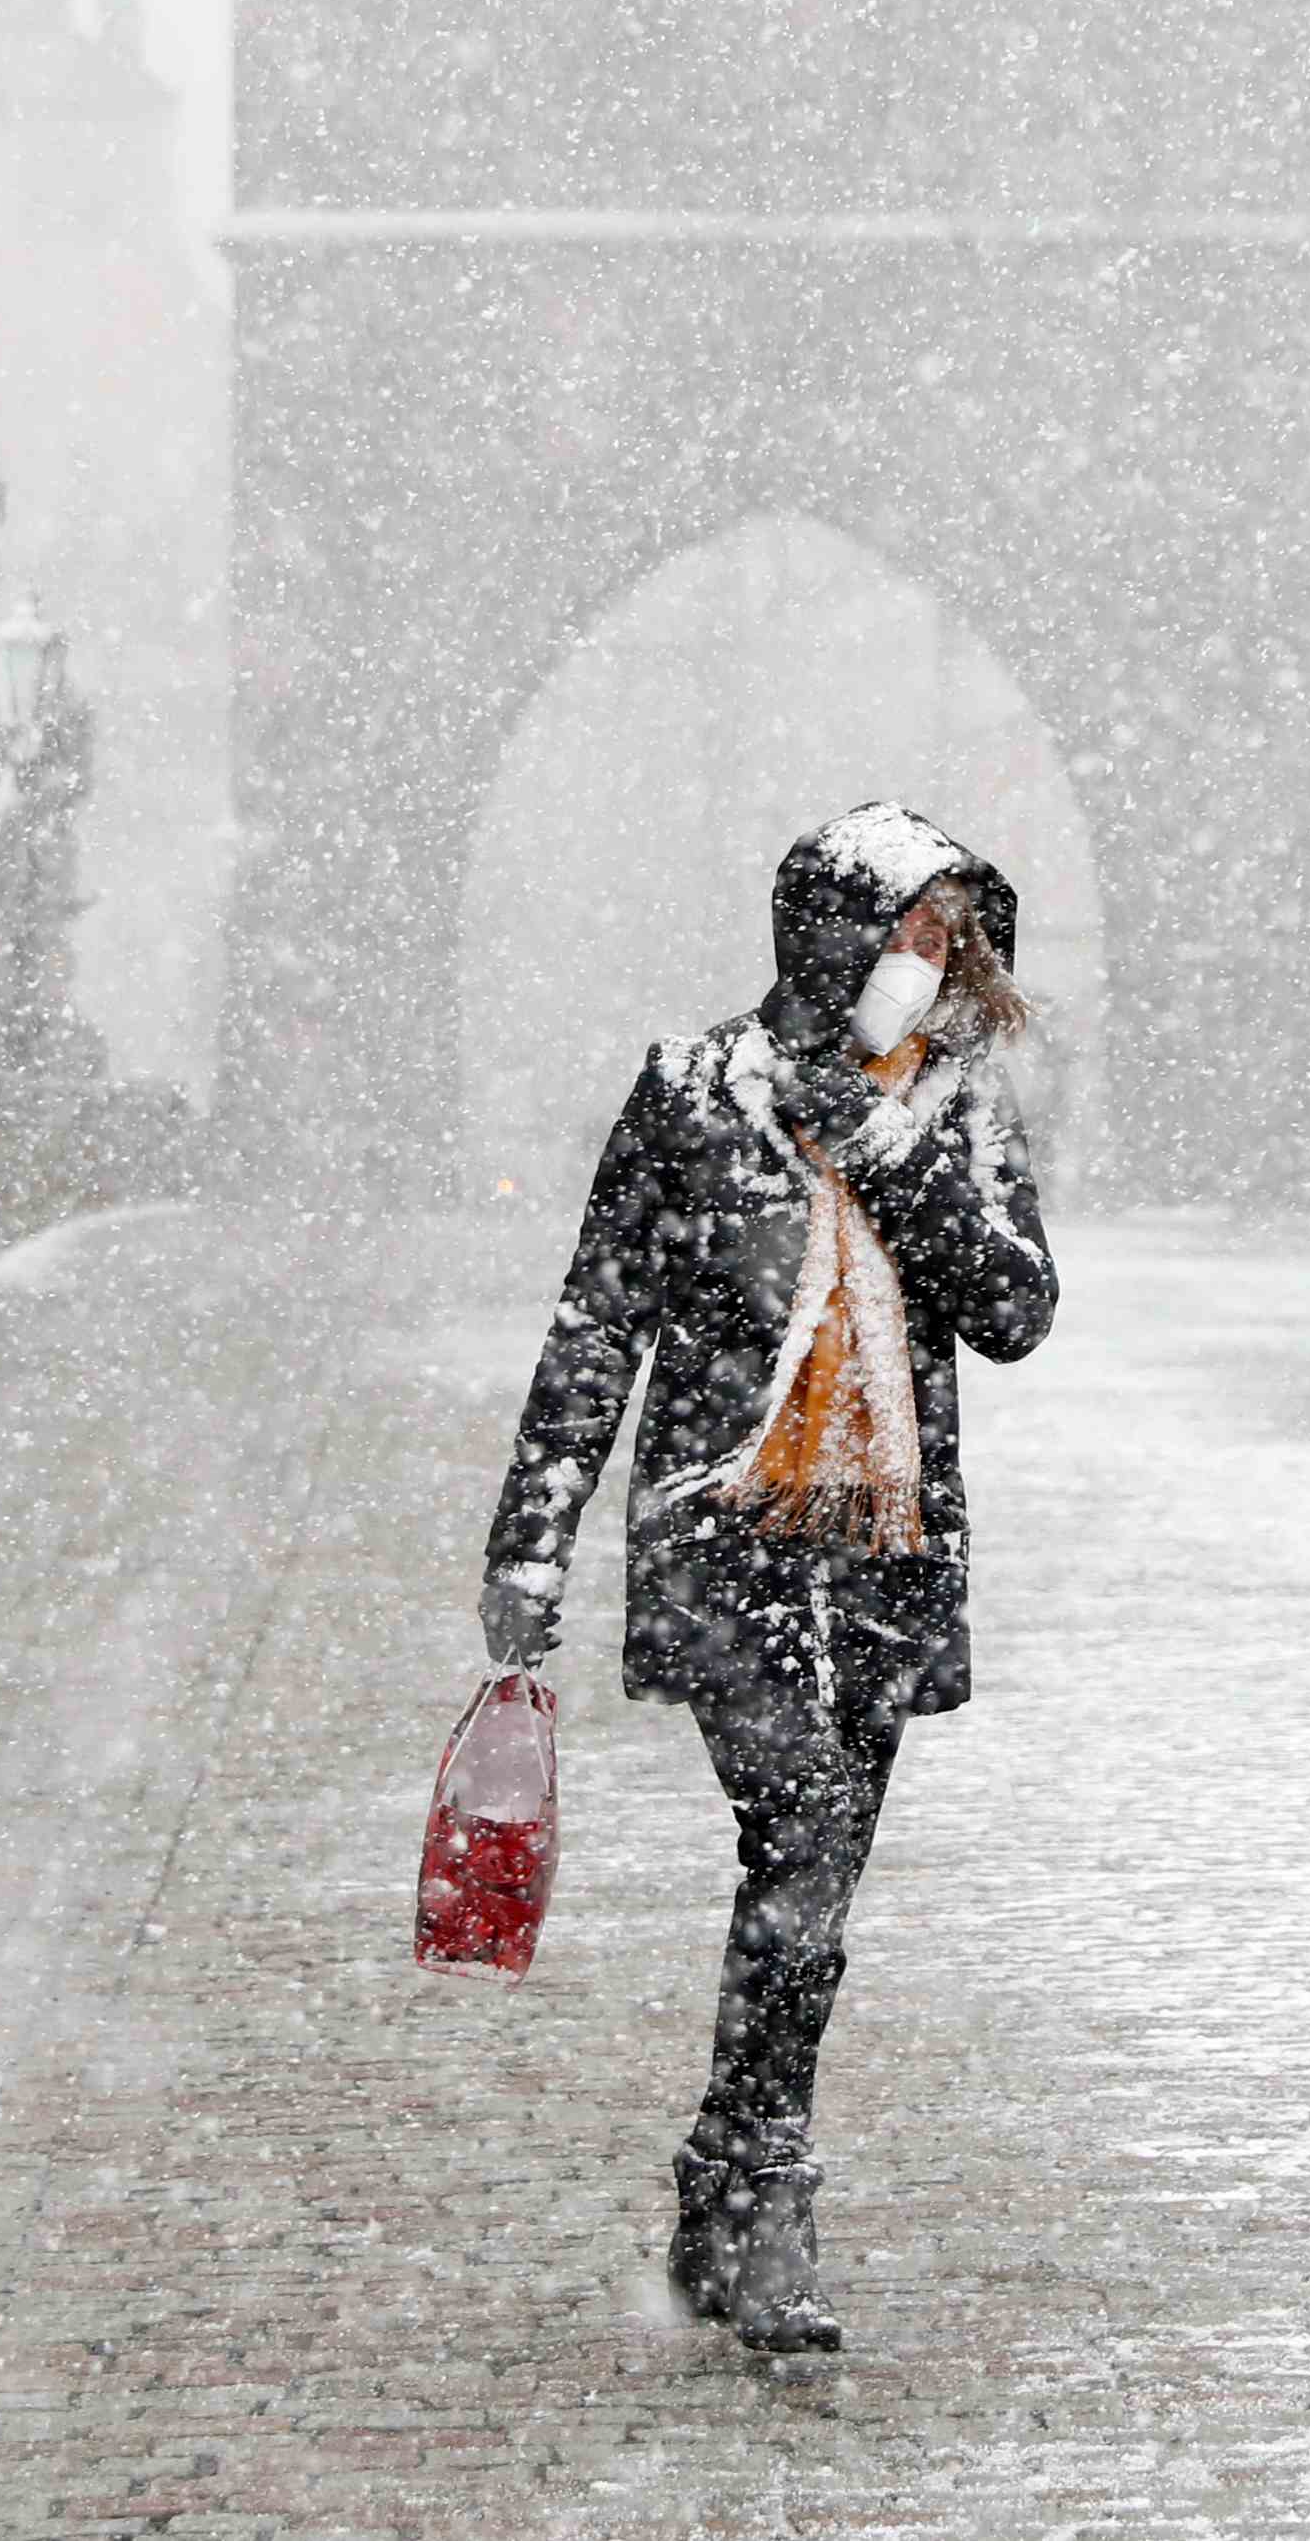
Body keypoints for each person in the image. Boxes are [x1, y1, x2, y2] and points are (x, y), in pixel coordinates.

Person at [477, 803, 1059, 2356]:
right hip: (723, 1534)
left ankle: (721, 2188)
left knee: (812, 1894)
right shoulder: (689, 1094)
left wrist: (896, 1162)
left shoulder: (953, 1105)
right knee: (797, 1848)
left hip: (883, 1544)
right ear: (826, 933)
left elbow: (1014, 1308)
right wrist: (530, 1537)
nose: (922, 969)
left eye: (947, 944)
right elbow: (600, 1319)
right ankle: (763, 2200)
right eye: (905, 933)